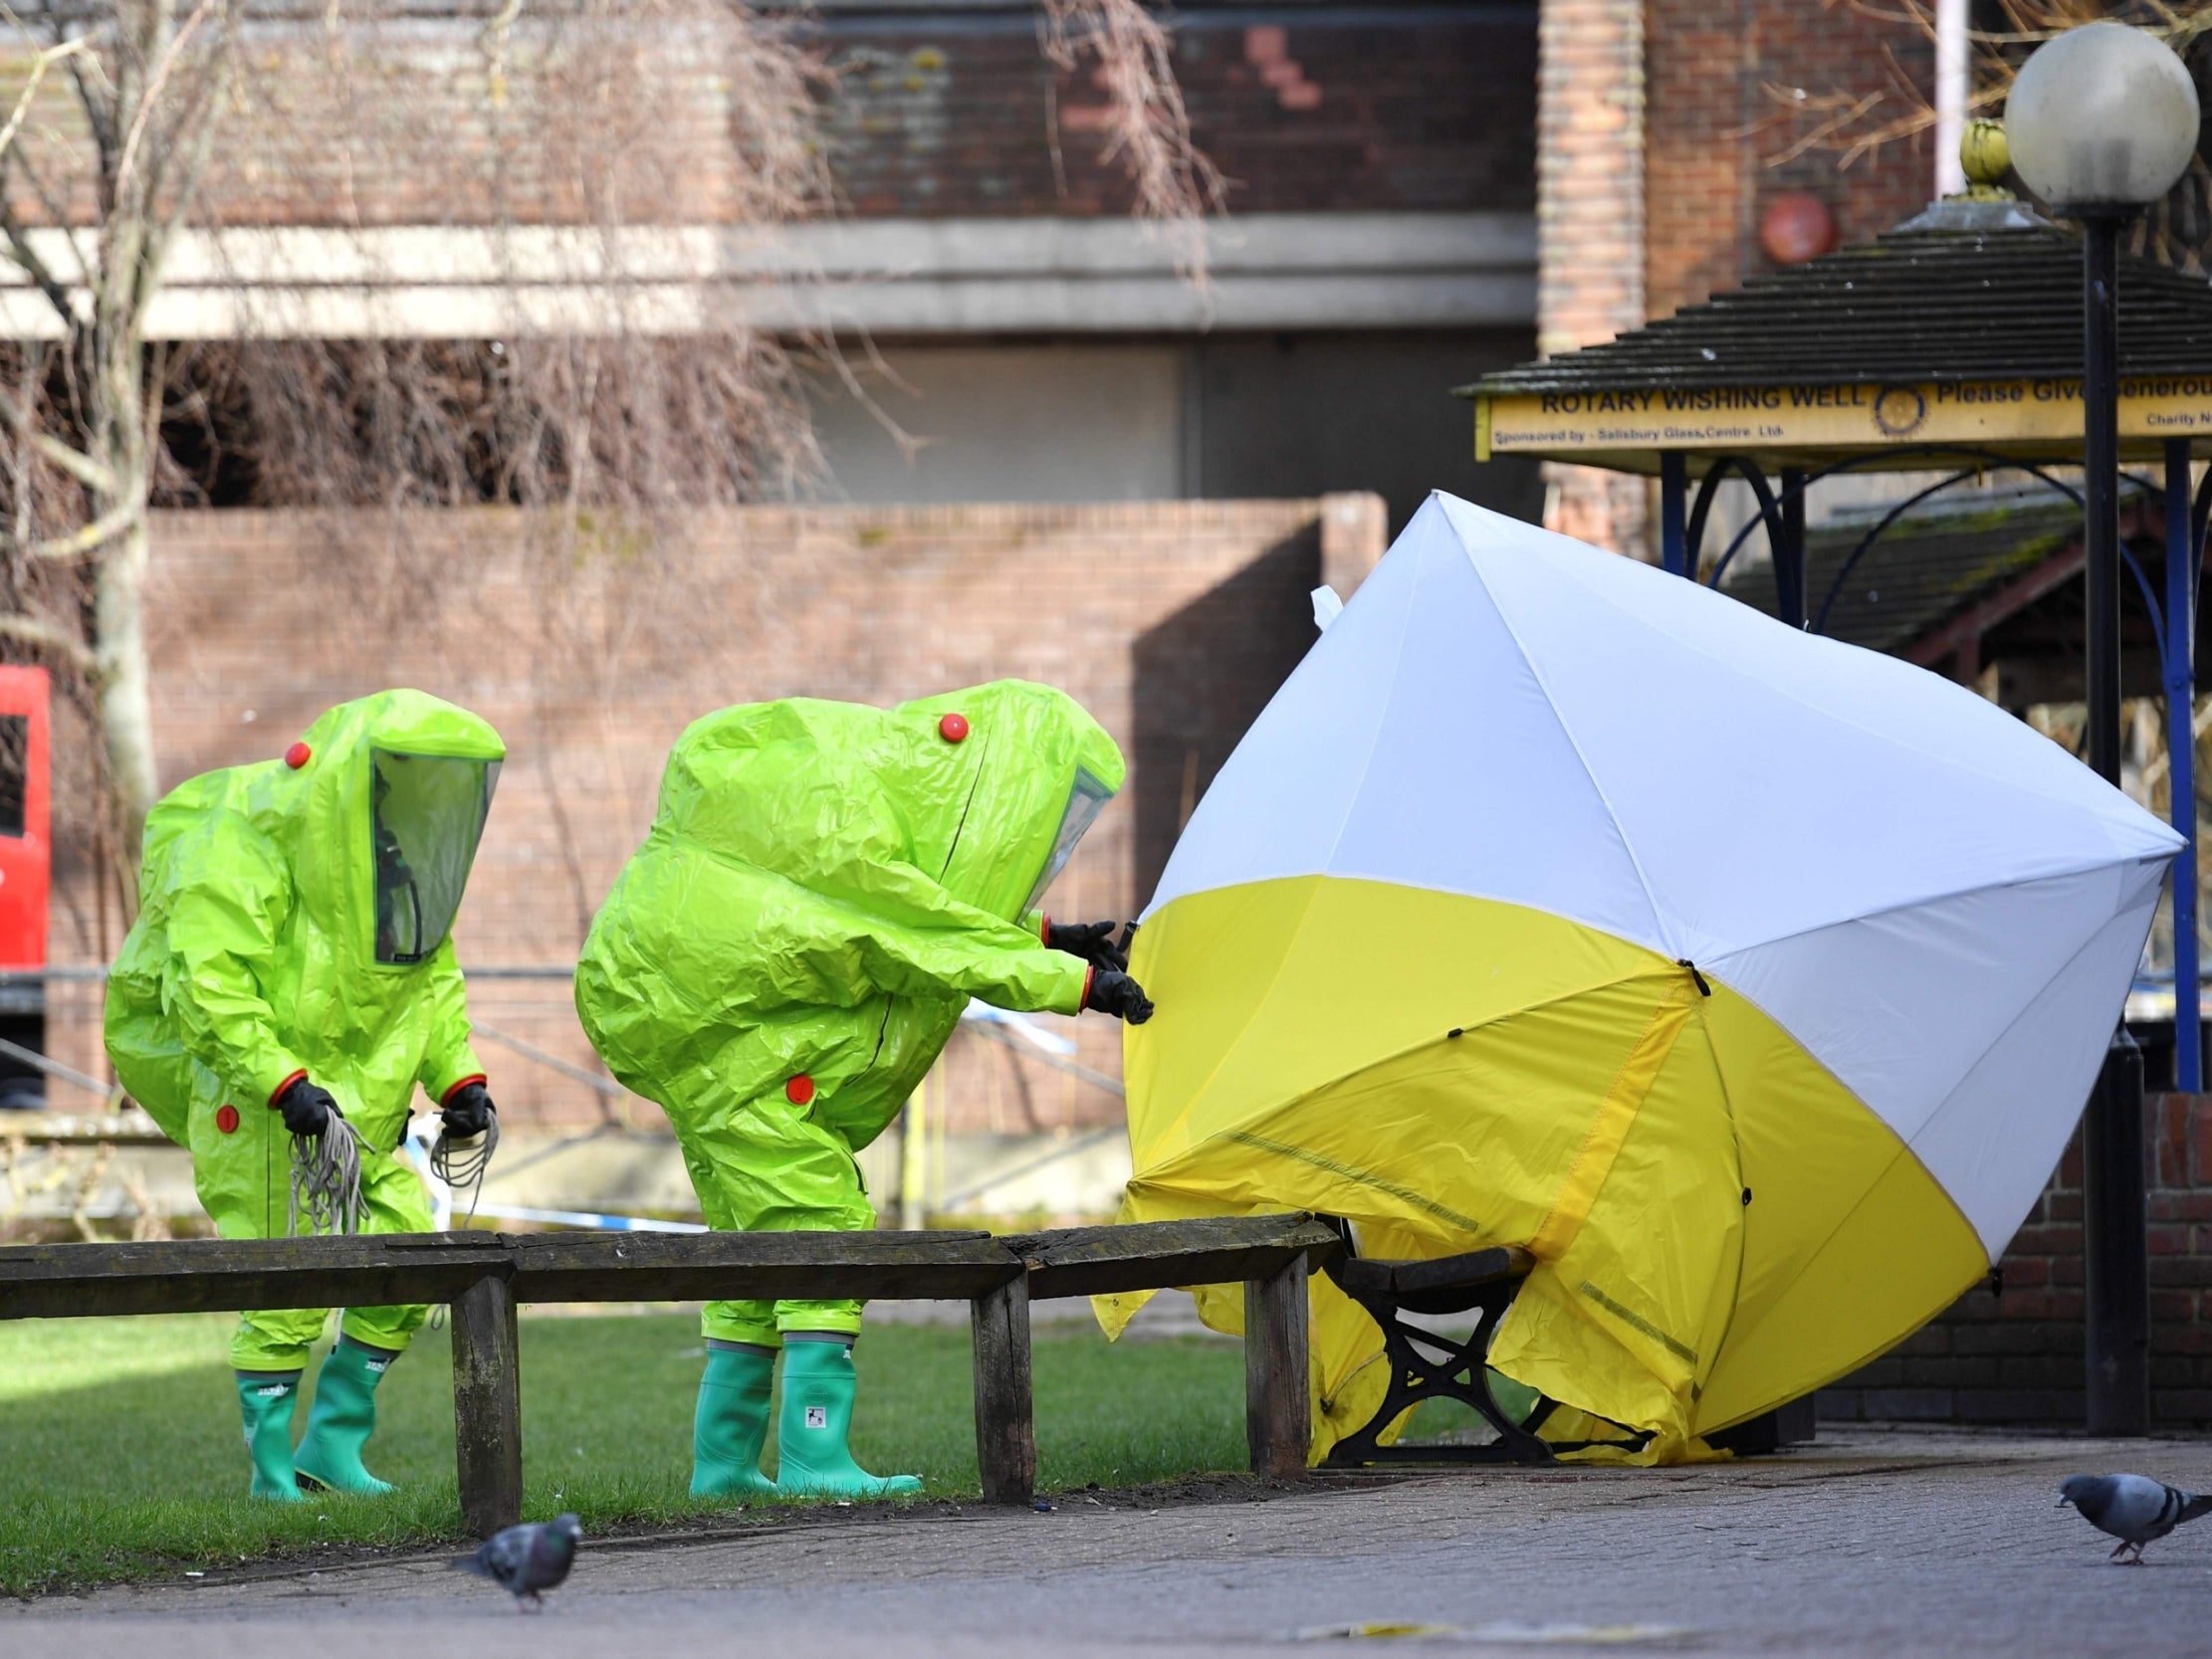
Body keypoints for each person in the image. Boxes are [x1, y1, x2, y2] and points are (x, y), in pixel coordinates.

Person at [575, 680, 1152, 1501]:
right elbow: (915, 930)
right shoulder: (855, 829)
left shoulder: (856, 804)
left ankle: (725, 1468)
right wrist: (1078, 984)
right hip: (731, 1047)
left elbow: (926, 912)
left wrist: (1055, 937)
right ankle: (815, 1458)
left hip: (699, 1032)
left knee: (754, 1249)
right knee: (822, 1223)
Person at [105, 689, 505, 1501]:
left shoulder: (397, 864)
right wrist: (280, 1082)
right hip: (260, 1106)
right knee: (290, 1278)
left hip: (349, 1108)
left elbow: (429, 982)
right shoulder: (244, 844)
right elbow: (207, 983)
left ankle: (331, 1443)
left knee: (410, 1249)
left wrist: (459, 1077)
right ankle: (270, 1475)